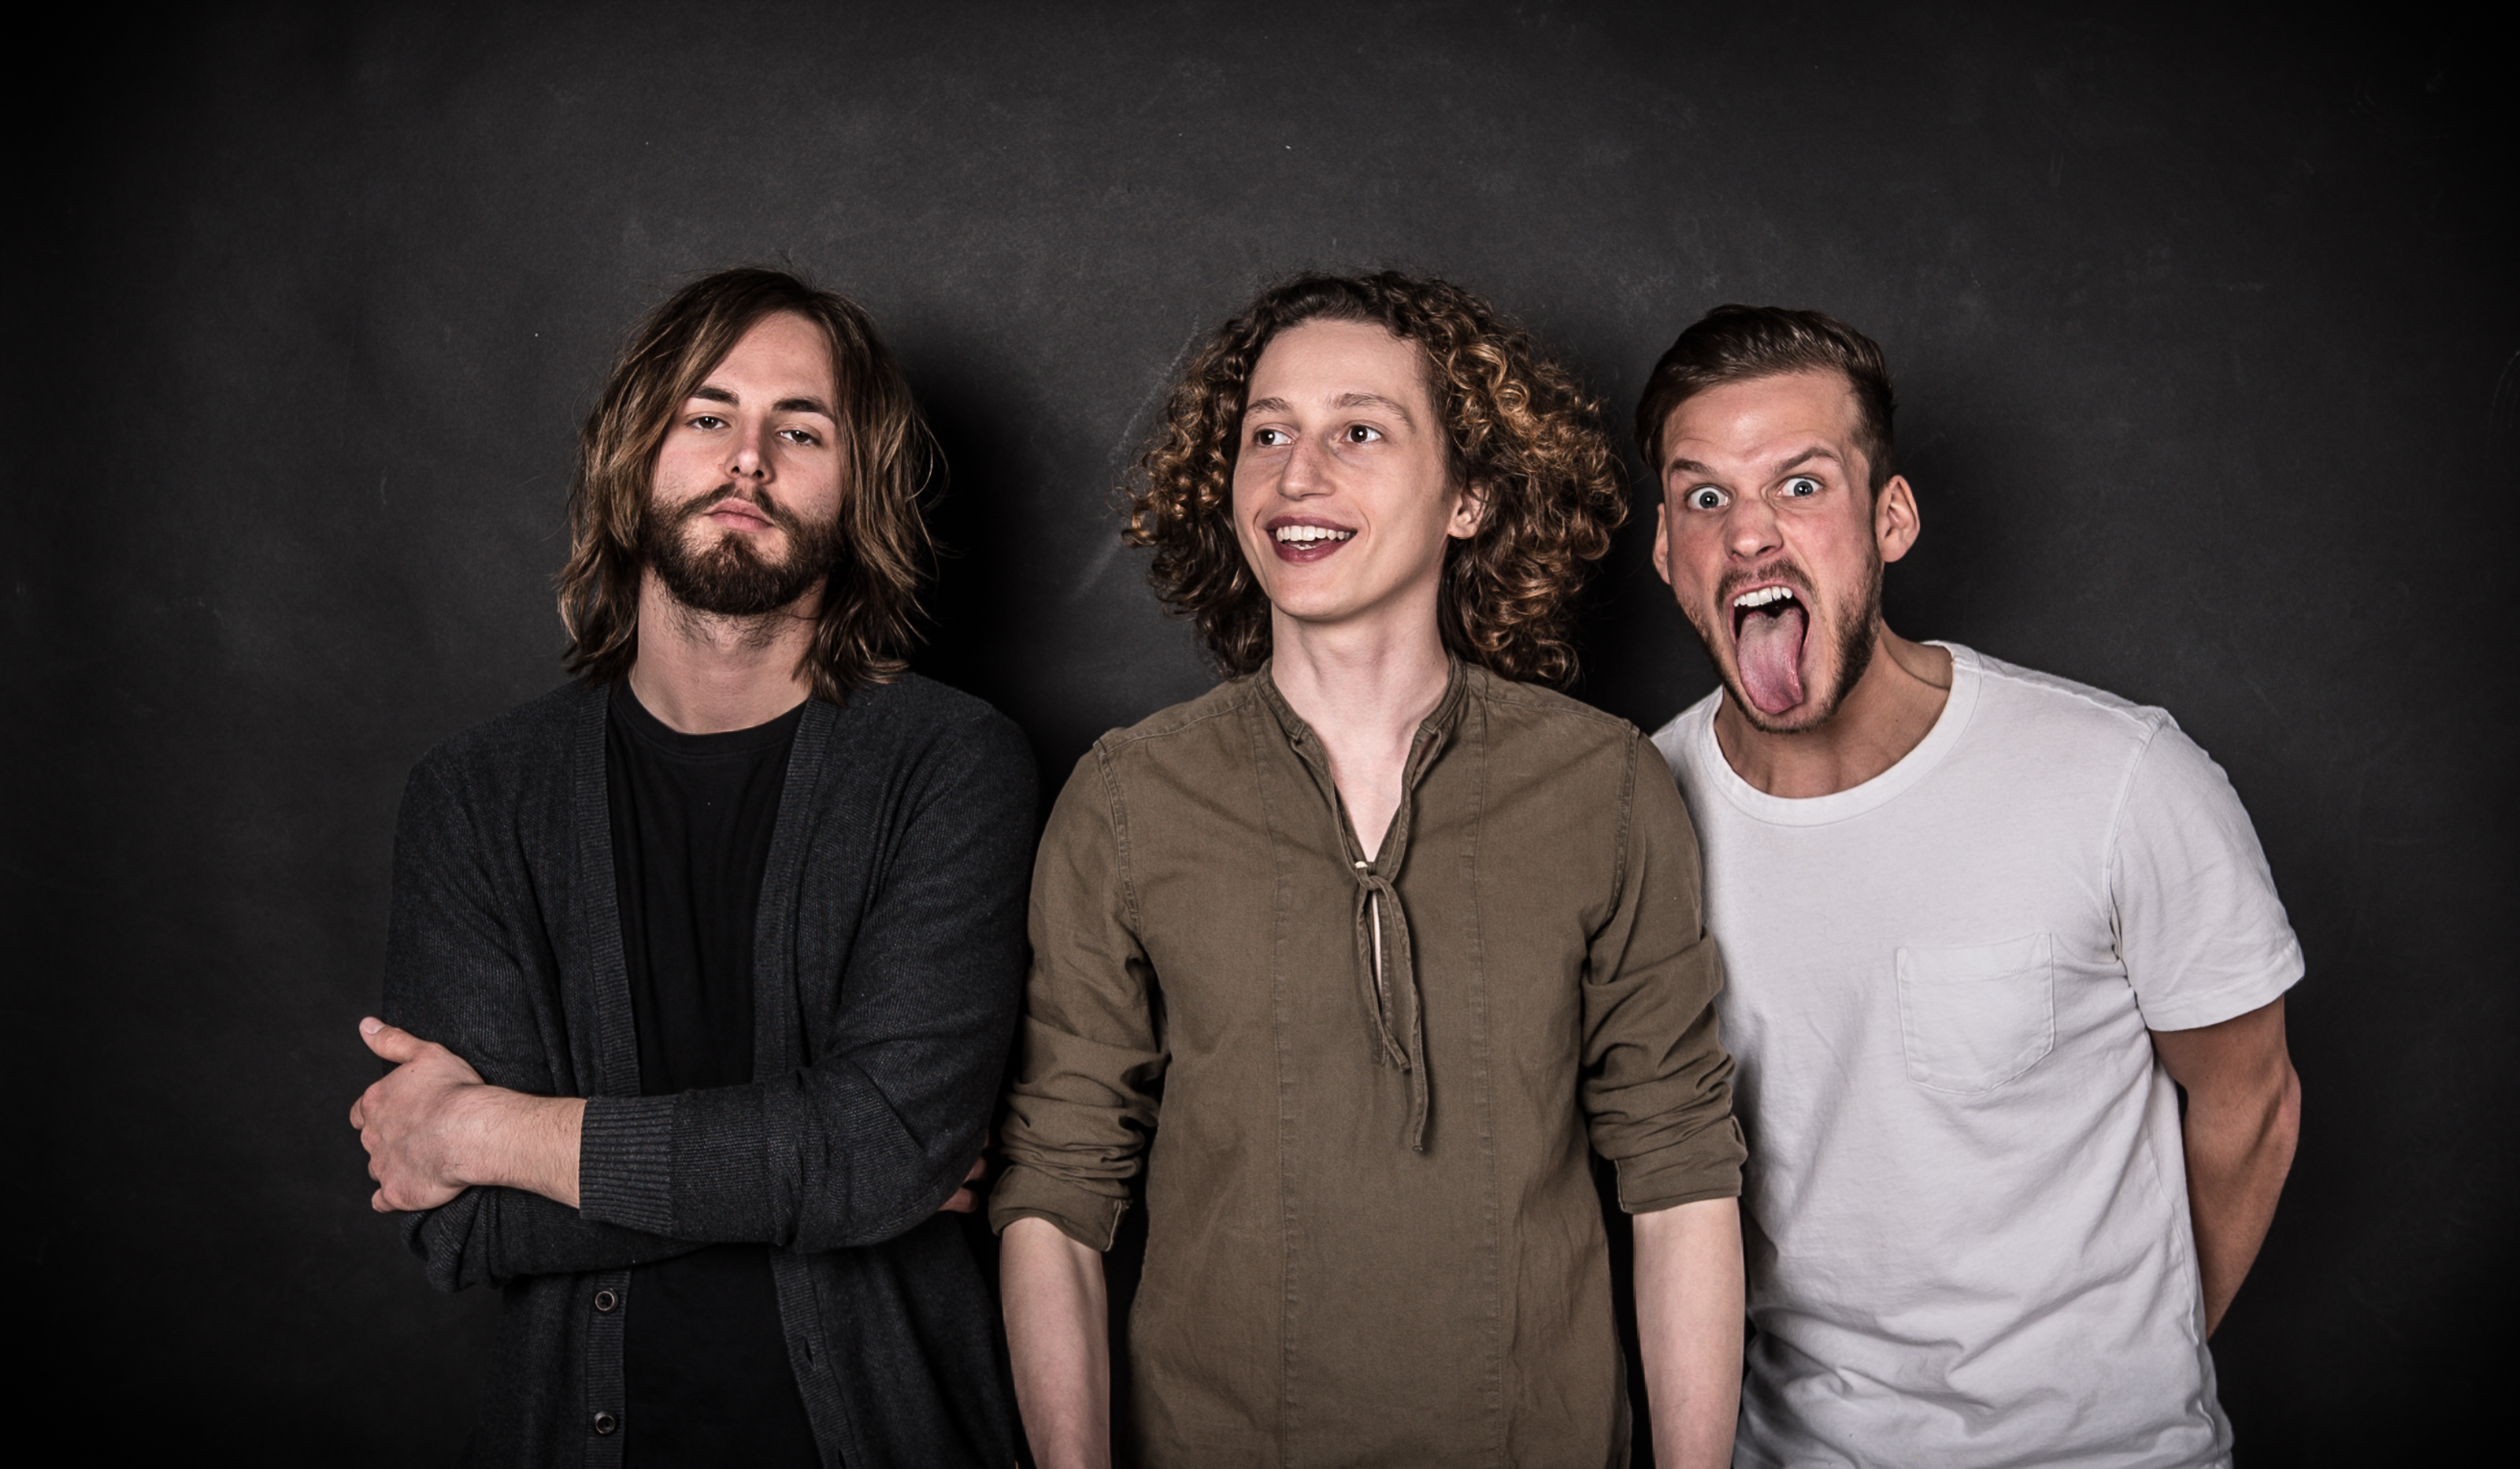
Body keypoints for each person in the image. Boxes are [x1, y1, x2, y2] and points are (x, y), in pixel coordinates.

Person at [991, 271, 1747, 1468]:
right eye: (1267, 435)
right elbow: (1055, 1194)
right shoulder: (1128, 799)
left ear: (1469, 498)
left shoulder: (1605, 785)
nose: (1297, 474)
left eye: (1359, 432)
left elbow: (1681, 1176)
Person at [346, 267, 1032, 1467]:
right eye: (706, 416)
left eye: (801, 430)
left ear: (860, 484)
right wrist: (835, 1173)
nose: (747, 459)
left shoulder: (947, 762)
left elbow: (878, 1151)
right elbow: (459, 1228)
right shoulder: (478, 795)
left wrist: (488, 1132)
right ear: (635, 453)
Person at [1636, 305, 2304, 1467]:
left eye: (1802, 486)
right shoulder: (1638, 817)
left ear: (1890, 518)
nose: (1749, 535)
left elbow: (2252, 1103)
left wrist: (2129, 1372)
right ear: (1665, 549)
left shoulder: (2119, 778)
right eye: (1705, 498)